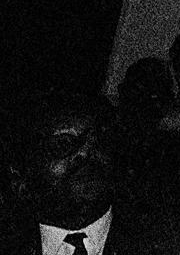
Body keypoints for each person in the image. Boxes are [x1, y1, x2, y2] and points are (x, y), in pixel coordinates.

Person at [2, 92, 123, 255]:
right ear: (20, 179)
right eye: (63, 145)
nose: (86, 153)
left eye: (99, 141)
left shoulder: (161, 233)